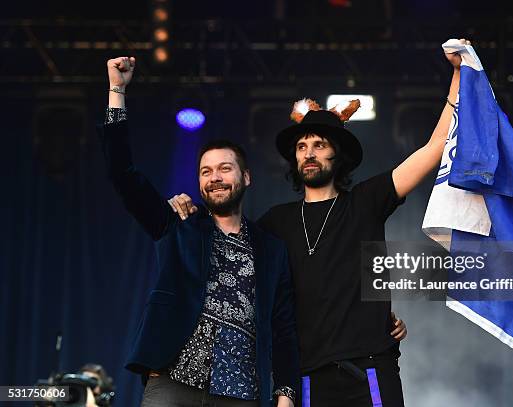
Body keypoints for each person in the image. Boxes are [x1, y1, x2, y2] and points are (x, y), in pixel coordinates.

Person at [170, 39, 468, 406]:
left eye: (320, 144)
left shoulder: (365, 202)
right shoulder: (275, 222)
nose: (309, 152)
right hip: (308, 376)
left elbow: (435, 146)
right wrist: (189, 212)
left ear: (336, 155)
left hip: (371, 368)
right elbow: (224, 240)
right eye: (301, 146)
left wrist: (459, 73)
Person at [98, 56, 298, 407]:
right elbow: (122, 175)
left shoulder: (271, 248)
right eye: (206, 172)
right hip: (173, 382)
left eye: (224, 168)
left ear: (246, 177)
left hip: (240, 390)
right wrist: (117, 91)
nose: (215, 178)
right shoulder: (180, 225)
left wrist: (285, 394)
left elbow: (283, 328)